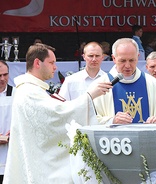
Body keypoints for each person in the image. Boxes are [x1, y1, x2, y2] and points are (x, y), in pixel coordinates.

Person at [3, 43, 112, 184]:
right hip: (42, 167)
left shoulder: (33, 89)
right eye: (51, 62)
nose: (55, 67)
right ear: (37, 63)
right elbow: (57, 116)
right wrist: (89, 96)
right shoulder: (28, 92)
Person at [93, 38, 156, 124]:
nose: (127, 65)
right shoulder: (101, 85)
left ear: (138, 57)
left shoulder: (152, 83)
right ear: (114, 58)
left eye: (131, 60)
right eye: (122, 61)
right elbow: (89, 119)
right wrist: (112, 121)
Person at [0, 60, 15, 184]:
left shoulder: (16, 93)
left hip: (11, 148)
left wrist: (15, 130)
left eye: (5, 75)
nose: (2, 79)